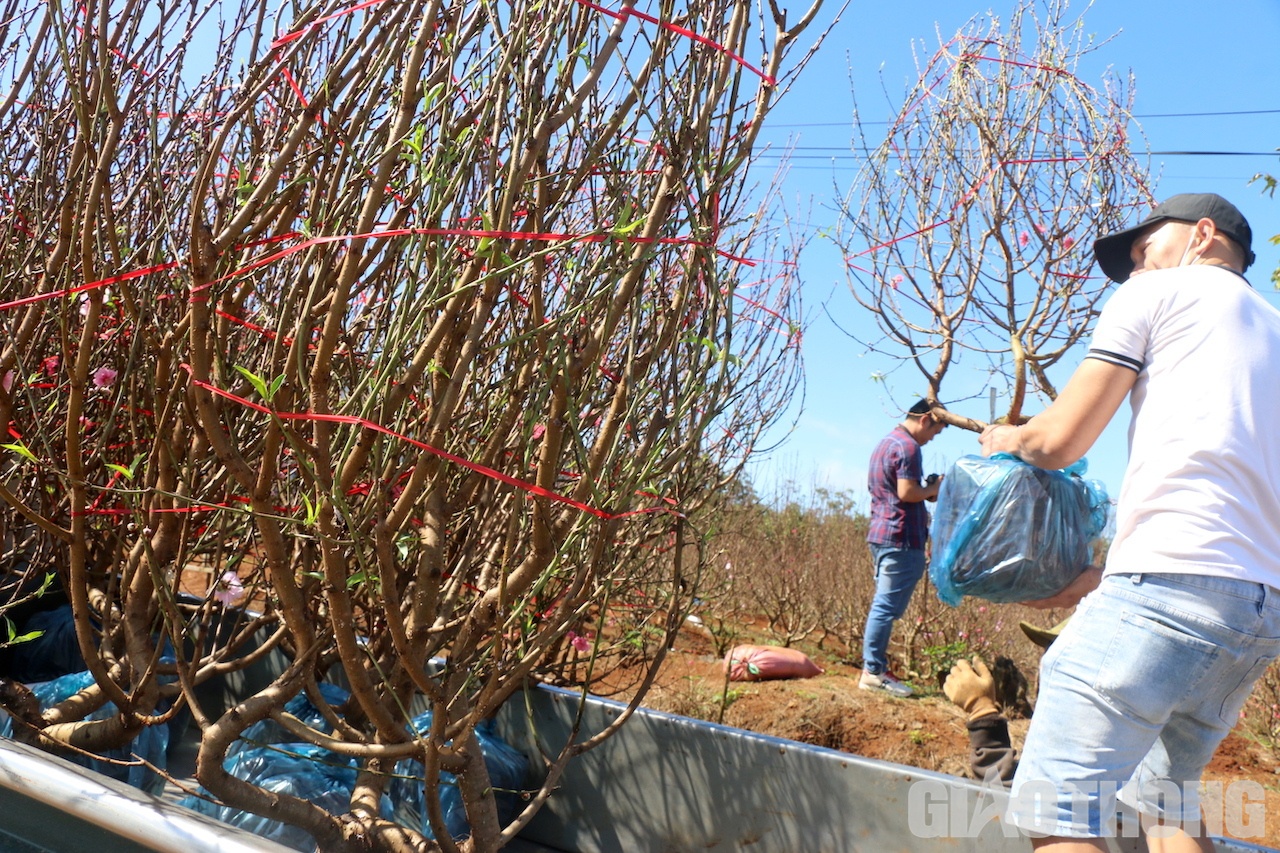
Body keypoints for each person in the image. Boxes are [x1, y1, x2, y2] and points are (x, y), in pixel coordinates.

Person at [979, 192, 1280, 852]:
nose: (1138, 268)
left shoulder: (1156, 293)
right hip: (1258, 614)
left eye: (1145, 250)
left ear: (1202, 235)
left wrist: (1008, 439)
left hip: (1167, 588)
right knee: (1166, 804)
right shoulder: (1275, 328)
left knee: (1056, 813)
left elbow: (1058, 440)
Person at [860, 398, 945, 697]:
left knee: (883, 605)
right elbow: (907, 492)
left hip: (881, 533)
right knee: (885, 607)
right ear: (925, 420)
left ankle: (874, 669)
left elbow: (896, 492)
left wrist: (928, 491)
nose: (931, 438)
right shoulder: (909, 447)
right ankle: (873, 672)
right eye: (934, 431)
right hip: (901, 537)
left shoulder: (885, 443)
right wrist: (935, 488)